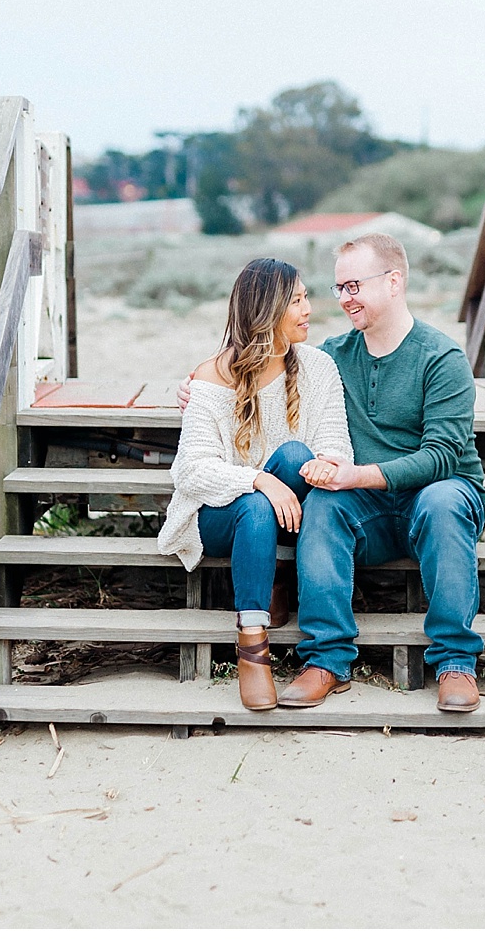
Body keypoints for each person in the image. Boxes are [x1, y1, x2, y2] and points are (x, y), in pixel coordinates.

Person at [179, 234, 485, 714]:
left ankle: (455, 662)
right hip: (363, 504)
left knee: (442, 500)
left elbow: (443, 456)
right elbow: (263, 367)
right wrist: (199, 384)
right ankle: (326, 660)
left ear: (393, 283)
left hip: (435, 495)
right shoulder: (333, 355)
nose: (343, 299)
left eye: (354, 286)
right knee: (323, 502)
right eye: (338, 287)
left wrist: (358, 475)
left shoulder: (441, 358)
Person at [156, 258, 352, 712]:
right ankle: (252, 646)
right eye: (297, 301)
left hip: (295, 507)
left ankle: (278, 577)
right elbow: (190, 471)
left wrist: (328, 465)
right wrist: (259, 479)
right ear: (267, 311)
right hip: (222, 515)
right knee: (256, 506)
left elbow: (336, 444)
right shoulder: (211, 377)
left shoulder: (318, 368)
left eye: (307, 297)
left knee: (297, 456)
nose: (309, 309)